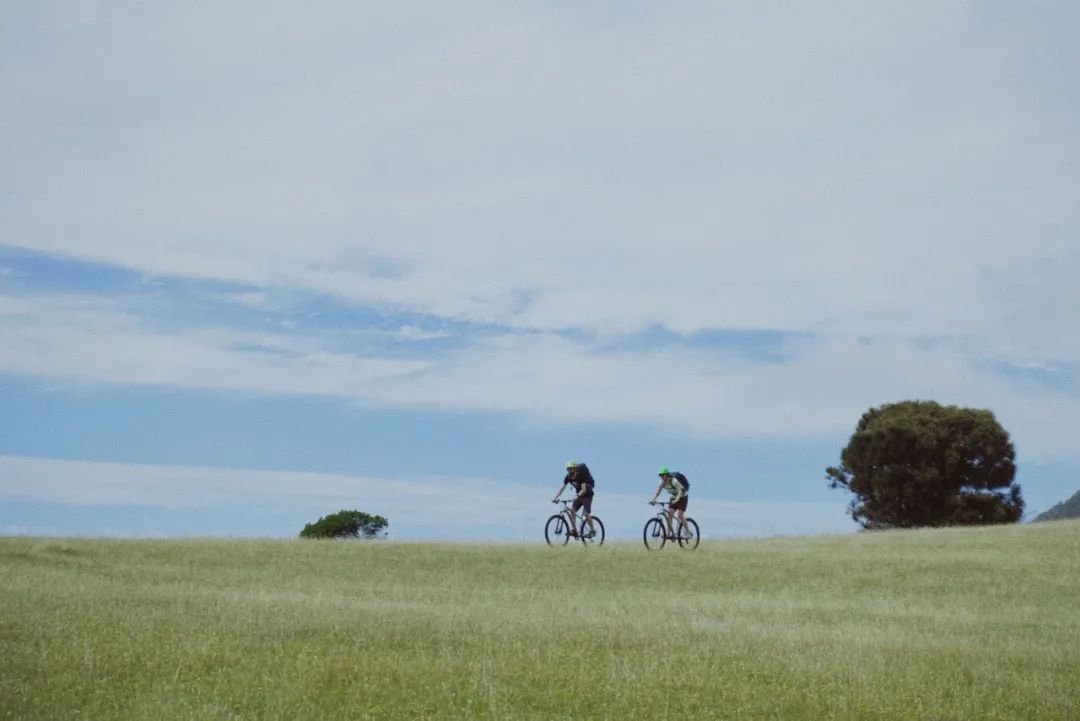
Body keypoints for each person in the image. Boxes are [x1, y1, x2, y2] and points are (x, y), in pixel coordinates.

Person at [552, 461, 597, 538]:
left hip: (587, 495)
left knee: (586, 513)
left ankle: (592, 531)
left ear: (574, 469)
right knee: (572, 510)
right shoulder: (568, 477)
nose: (568, 470)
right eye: (567, 469)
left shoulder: (580, 475)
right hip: (579, 496)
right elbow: (562, 488)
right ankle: (574, 530)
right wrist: (555, 498)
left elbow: (584, 489)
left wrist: (577, 496)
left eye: (570, 469)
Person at [648, 466, 690, 539]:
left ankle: (688, 532)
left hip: (683, 497)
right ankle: (668, 533)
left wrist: (677, 499)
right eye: (659, 475)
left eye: (662, 475)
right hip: (673, 497)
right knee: (669, 514)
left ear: (666, 475)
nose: (660, 477)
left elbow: (680, 490)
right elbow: (658, 492)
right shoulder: (662, 482)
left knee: (680, 515)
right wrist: (653, 500)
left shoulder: (674, 481)